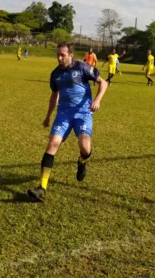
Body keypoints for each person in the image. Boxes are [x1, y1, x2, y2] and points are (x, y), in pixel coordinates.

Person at [27, 42, 108, 202]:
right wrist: (48, 116)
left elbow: (103, 82)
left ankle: (82, 161)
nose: (59, 57)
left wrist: (97, 100)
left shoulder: (82, 67)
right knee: (52, 144)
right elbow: (54, 95)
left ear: (71, 55)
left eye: (62, 54)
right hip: (63, 114)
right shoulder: (55, 74)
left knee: (85, 147)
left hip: (83, 113)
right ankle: (42, 187)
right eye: (57, 54)